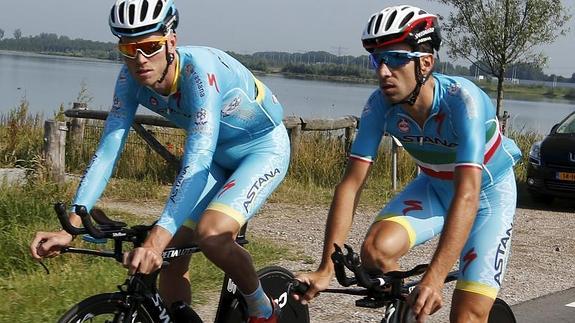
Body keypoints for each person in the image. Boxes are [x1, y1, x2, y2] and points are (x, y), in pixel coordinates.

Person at [30, 0, 289, 322]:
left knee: (211, 235)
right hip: (216, 161)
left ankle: (263, 308)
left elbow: (197, 160)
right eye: (128, 48)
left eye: (150, 46)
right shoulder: (129, 80)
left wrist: (154, 240)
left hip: (261, 150)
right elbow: (108, 152)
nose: (139, 59)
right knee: (170, 257)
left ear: (171, 42)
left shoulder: (200, 72)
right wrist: (71, 226)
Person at [294, 5, 522, 323]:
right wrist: (325, 269)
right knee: (374, 253)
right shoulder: (380, 105)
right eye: (378, 60)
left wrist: (436, 275)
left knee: (467, 315)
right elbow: (351, 185)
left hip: (486, 196)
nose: (384, 71)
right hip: (434, 187)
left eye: (396, 59)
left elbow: (468, 194)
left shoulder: (462, 100)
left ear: (425, 63)